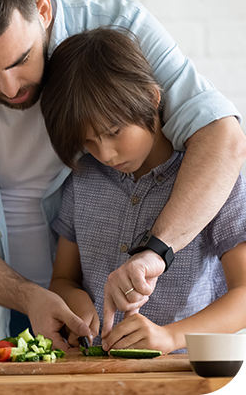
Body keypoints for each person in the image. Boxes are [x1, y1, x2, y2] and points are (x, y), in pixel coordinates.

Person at [0, 0, 246, 348]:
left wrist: (156, 252)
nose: (10, 89)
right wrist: (34, 296)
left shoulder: (120, 25)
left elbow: (220, 134)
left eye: (21, 59)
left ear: (42, 10)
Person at [40, 27, 246, 353]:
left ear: (151, 99)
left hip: (184, 374)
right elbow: (63, 279)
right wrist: (76, 303)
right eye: (88, 141)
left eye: (114, 132)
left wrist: (170, 337)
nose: (104, 153)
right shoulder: (83, 180)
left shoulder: (214, 177)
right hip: (95, 374)